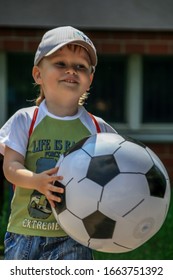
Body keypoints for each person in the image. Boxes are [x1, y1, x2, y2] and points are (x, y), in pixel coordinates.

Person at [0, 26, 116, 260]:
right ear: (38, 74)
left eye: (81, 66)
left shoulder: (97, 128)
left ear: (90, 79)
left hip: (75, 236)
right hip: (26, 232)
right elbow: (10, 167)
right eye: (61, 63)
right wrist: (36, 181)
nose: (71, 70)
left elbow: (115, 174)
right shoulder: (26, 120)